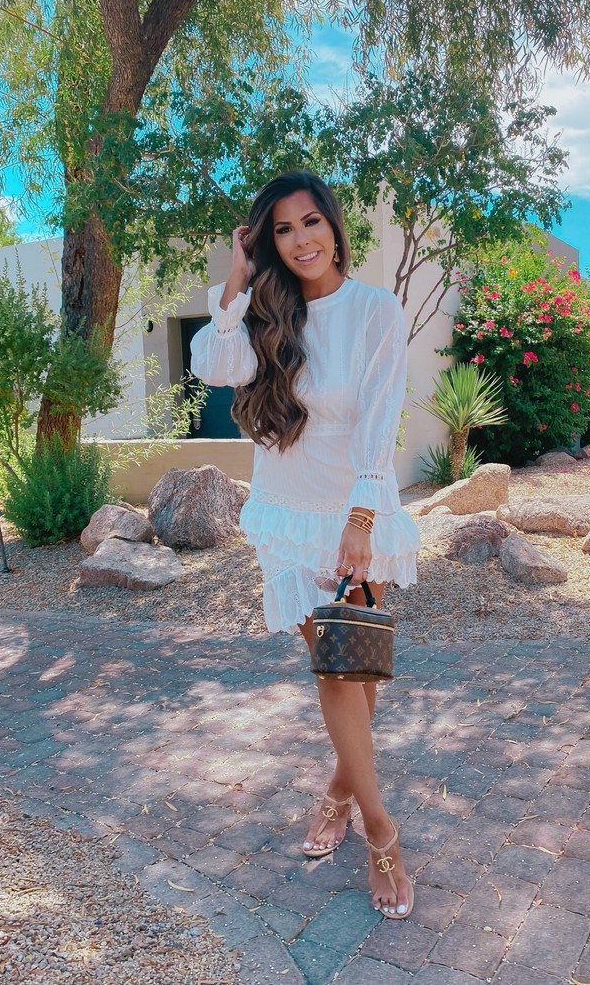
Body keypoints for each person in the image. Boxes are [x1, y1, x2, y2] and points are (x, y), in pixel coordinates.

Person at [190, 170, 420, 919]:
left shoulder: (375, 310)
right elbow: (212, 366)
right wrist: (236, 284)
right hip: (288, 513)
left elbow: (379, 419)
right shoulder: (264, 315)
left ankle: (336, 789)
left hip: (356, 505)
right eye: (283, 230)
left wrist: (360, 516)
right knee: (333, 667)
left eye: (310, 222)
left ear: (334, 225)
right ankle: (380, 832)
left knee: (360, 669)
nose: (301, 240)